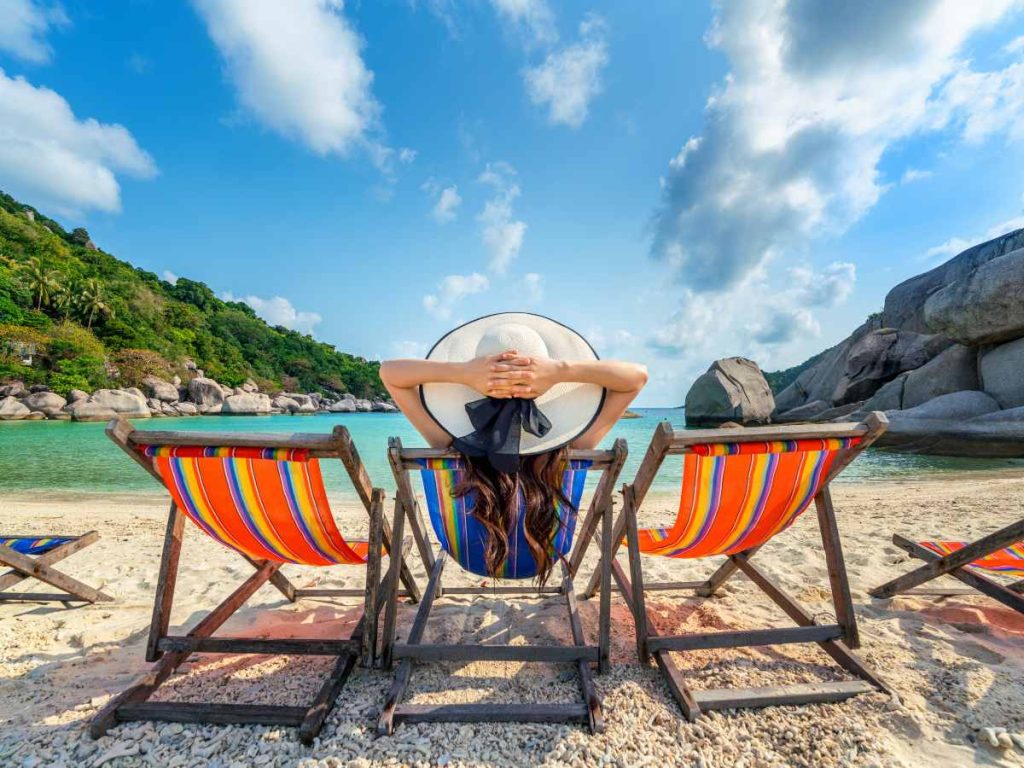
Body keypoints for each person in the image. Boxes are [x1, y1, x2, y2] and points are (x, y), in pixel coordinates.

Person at [380, 313, 647, 582]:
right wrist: (559, 371)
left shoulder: (447, 443)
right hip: (544, 554)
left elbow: (389, 373)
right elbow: (636, 378)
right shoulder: (575, 445)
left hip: (470, 558)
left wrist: (462, 372)